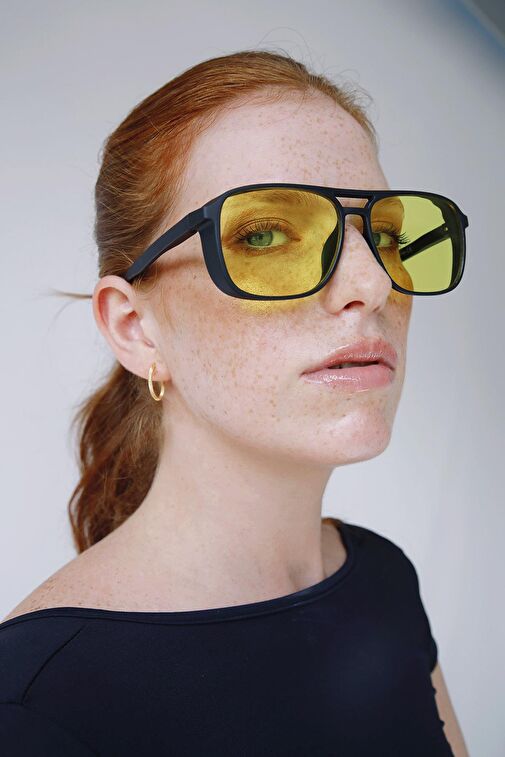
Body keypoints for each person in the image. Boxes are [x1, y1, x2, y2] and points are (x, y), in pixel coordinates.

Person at [0, 49, 469, 756]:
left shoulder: (383, 579)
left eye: (384, 236)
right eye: (265, 235)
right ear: (135, 328)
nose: (373, 284)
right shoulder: (34, 701)